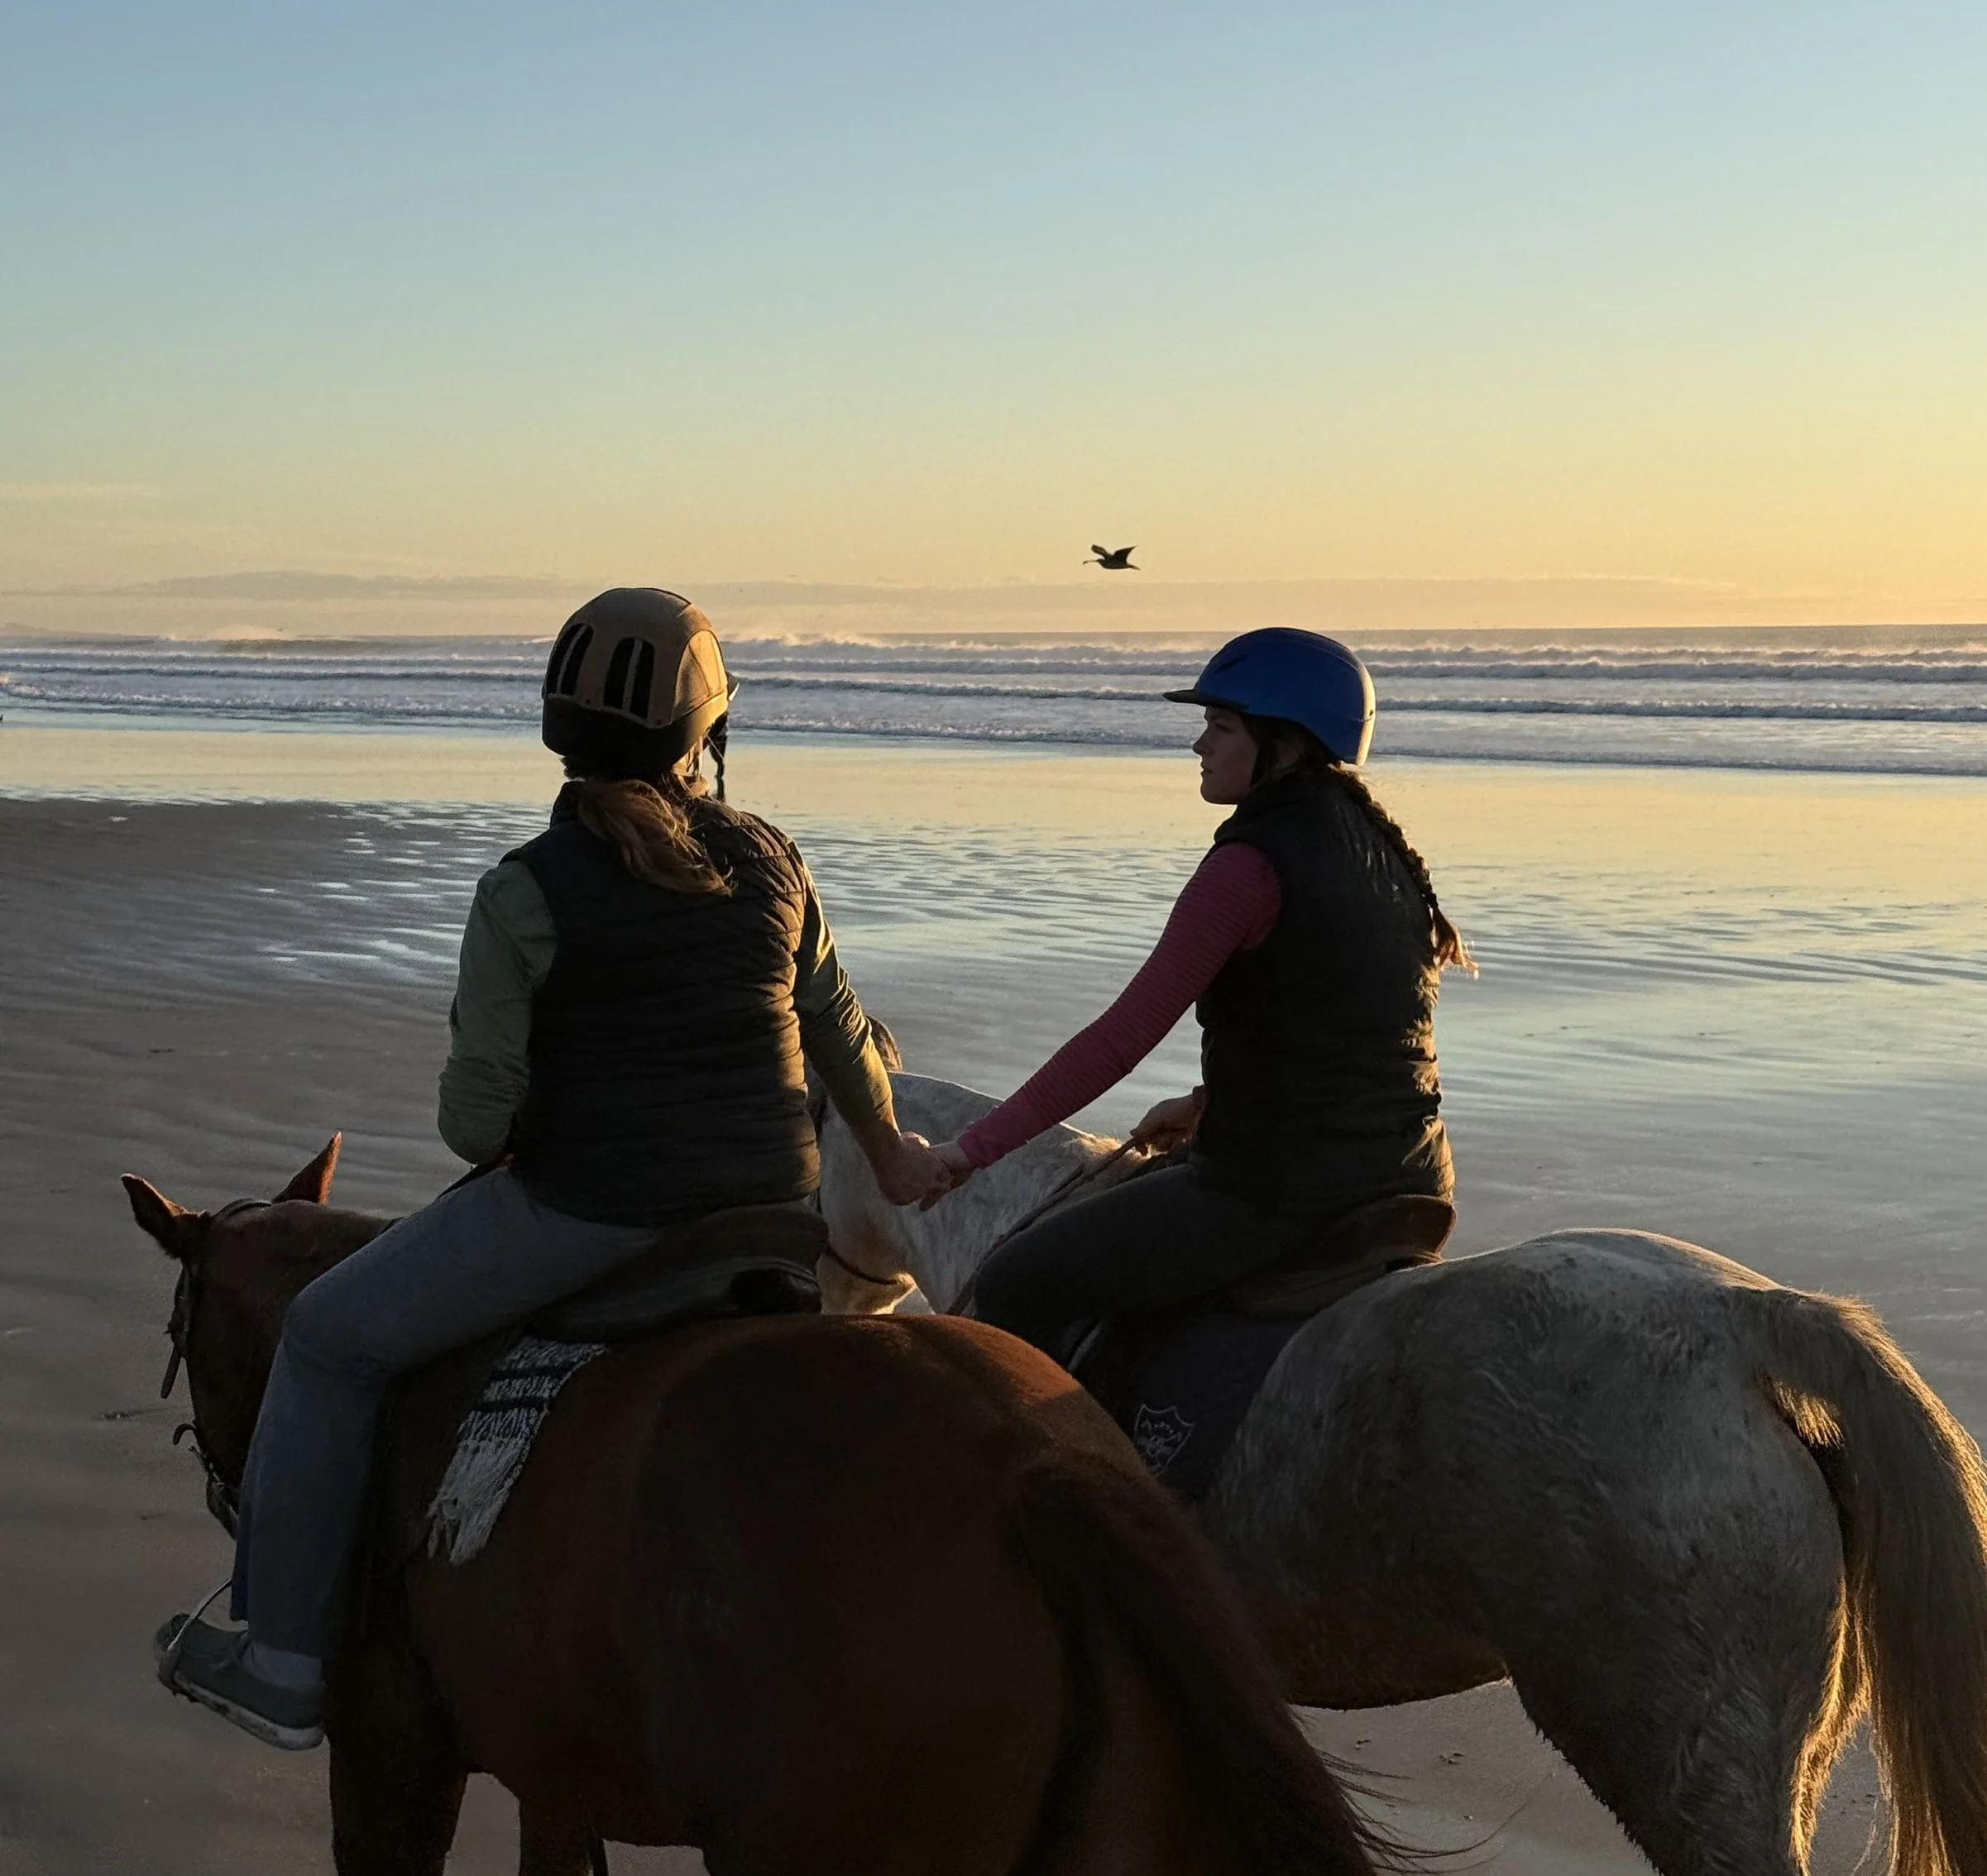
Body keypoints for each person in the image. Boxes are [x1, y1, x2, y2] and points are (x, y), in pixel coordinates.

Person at [157, 587, 927, 1750]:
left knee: (324, 1335)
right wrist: (897, 1153)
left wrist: (526, 1112)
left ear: (560, 727)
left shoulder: (527, 889)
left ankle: (282, 1664)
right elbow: (846, 1039)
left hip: (598, 1214)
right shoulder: (774, 860)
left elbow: (475, 1125)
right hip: (774, 1218)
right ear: (704, 732)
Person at [916, 627, 1474, 1366]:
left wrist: (967, 1152)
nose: (1198, 744)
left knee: (1020, 1278)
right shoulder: (1382, 850)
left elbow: (1120, 1039)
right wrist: (1214, 1102)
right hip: (1412, 1174)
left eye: (1220, 725)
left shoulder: (1247, 866)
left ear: (1279, 740)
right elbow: (1345, 1029)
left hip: (1282, 1193)